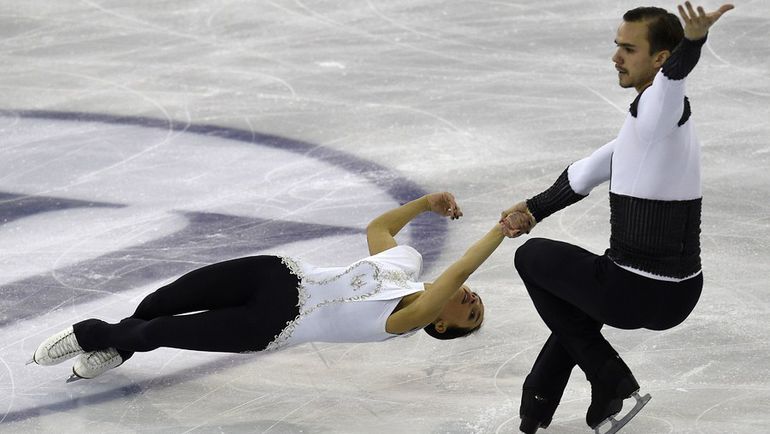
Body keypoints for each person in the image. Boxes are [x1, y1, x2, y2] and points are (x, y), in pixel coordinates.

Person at [499, 2, 734, 433]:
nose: (616, 57)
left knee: (531, 258)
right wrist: (532, 210)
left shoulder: (661, 106)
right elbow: (584, 173)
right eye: (617, 46)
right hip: (681, 294)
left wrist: (693, 42)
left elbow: (673, 80)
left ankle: (608, 376)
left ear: (660, 59)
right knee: (575, 304)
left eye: (628, 49)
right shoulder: (648, 131)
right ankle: (538, 401)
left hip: (633, 291)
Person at [30, 192, 508, 382]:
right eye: (478, 304)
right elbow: (379, 227)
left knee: (156, 331)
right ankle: (119, 347)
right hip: (274, 273)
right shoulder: (405, 263)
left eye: (471, 315)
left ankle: (89, 333)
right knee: (158, 302)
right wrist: (424, 203)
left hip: (269, 325)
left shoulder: (406, 320)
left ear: (440, 326)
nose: (473, 301)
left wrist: (499, 231)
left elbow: (457, 274)